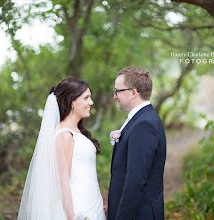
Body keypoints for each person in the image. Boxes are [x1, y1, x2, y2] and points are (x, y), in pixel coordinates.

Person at [18, 78, 106, 220]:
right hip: (78, 207)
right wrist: (71, 217)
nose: (91, 102)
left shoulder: (78, 132)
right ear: (71, 102)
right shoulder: (65, 135)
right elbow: (62, 182)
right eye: (86, 98)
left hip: (92, 203)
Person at [107, 66, 167, 220]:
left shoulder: (144, 124)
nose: (115, 96)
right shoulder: (140, 119)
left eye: (117, 91)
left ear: (133, 92)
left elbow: (136, 180)